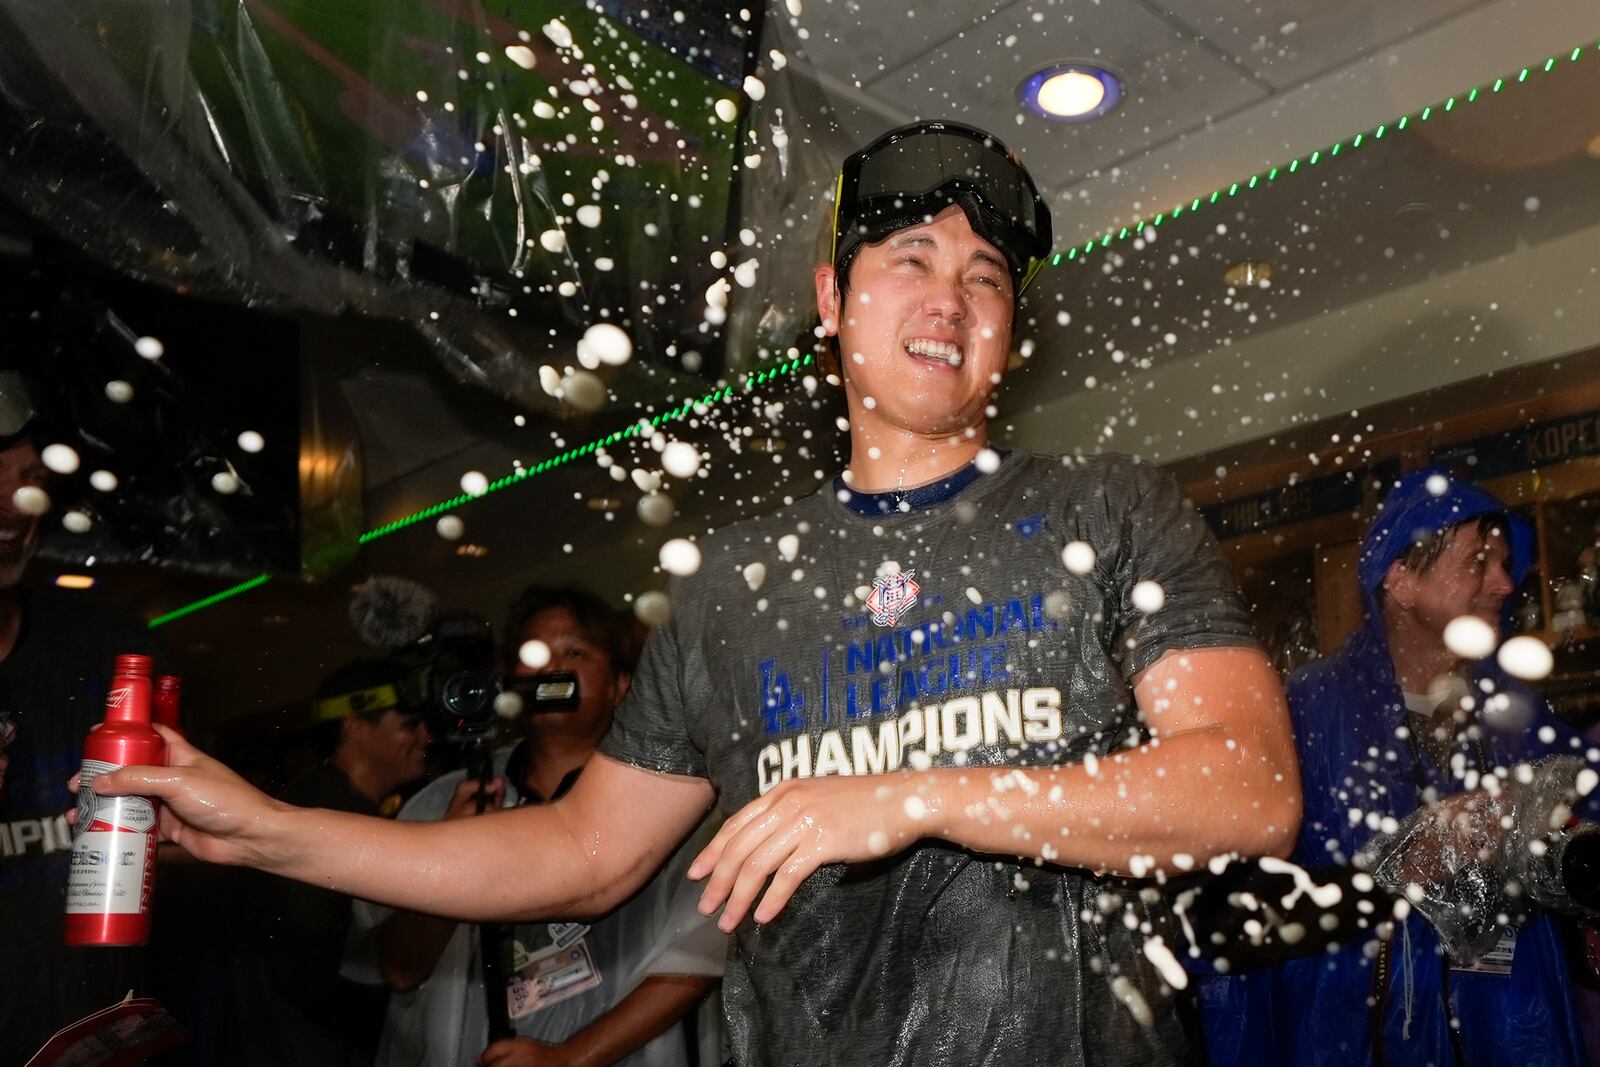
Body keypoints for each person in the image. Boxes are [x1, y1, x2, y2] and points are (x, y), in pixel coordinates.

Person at [93, 120, 1302, 1066]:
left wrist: (916, 795)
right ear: (832, 301)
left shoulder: (1113, 512)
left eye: (986, 275)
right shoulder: (733, 590)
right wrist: (274, 830)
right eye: (911, 259)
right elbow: (580, 850)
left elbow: (1246, 790)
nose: (950, 298)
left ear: (1009, 323)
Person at [1199, 468, 1600, 1066]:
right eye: (1477, 562)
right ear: (1402, 579)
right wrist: (1391, 871)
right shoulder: (1306, 711)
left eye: (1504, 563)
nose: (1502, 583)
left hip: (1512, 1033)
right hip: (1357, 1036)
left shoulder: (1513, 711)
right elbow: (1236, 912)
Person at [343, 585, 723, 1067]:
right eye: (533, 654)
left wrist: (569, 1058)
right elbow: (400, 970)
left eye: (576, 652)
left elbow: (699, 958)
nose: (551, 668)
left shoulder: (671, 801)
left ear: (620, 683)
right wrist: (453, 850)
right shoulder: (444, 801)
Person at [0, 370, 170, 1064]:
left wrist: (174, 836)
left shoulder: (108, 655)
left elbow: (195, 864)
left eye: (29, 478)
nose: (13, 505)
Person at [220, 658, 434, 1067]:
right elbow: (308, 972)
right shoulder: (326, 819)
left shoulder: (329, 805)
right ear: (354, 727)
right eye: (409, 724)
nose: (426, 736)